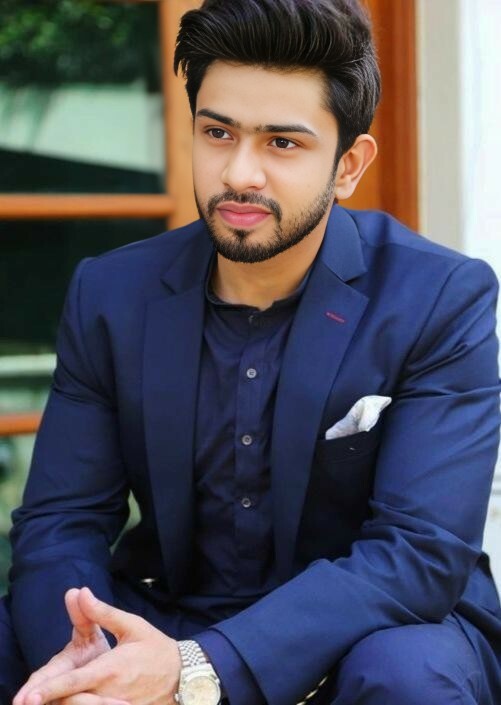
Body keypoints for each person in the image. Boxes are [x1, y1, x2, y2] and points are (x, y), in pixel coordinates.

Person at [1, 0, 501, 703]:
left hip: (364, 628)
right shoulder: (111, 293)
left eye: (282, 143)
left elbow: (418, 553)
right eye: (218, 133)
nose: (240, 173)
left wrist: (195, 669)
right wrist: (87, 659)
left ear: (348, 164)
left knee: (409, 673)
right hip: (168, 609)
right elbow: (62, 521)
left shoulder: (437, 297)